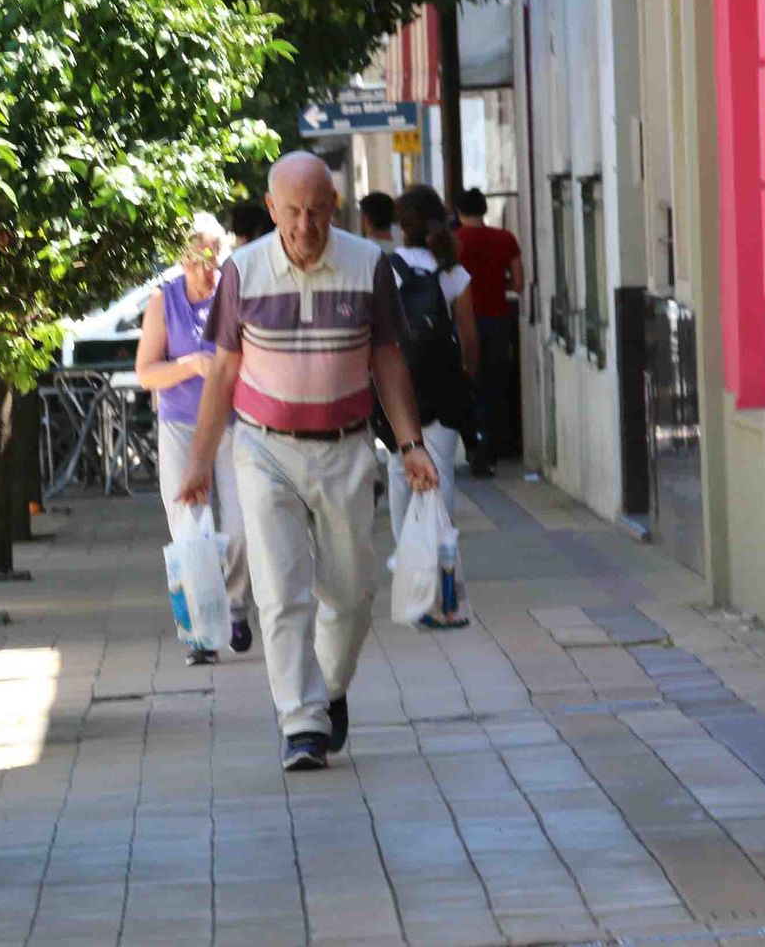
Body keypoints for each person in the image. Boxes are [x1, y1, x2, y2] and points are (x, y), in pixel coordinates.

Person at [177, 151, 439, 772]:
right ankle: (300, 723)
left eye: (317, 212)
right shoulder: (242, 272)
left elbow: (387, 359)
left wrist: (411, 445)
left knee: (351, 594)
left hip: (347, 446)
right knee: (280, 590)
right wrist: (199, 462)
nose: (304, 226)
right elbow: (223, 373)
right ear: (271, 210)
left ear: (334, 209)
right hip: (264, 449)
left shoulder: (367, 264)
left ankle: (330, 689)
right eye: (292, 212)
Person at [136, 212, 255, 665]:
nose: (204, 270)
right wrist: (190, 365)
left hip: (234, 424)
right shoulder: (163, 301)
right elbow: (146, 372)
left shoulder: (238, 296)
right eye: (194, 260)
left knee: (241, 528)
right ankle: (200, 633)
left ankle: (237, 607)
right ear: (181, 259)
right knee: (188, 529)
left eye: (212, 258)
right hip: (182, 426)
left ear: (224, 255)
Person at [379, 187, 478, 592]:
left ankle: (406, 553)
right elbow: (469, 337)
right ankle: (441, 554)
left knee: (399, 469)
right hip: (443, 384)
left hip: (398, 384)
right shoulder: (452, 271)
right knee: (441, 469)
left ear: (401, 226)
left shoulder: (387, 268)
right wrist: (468, 376)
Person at [454, 188, 524, 477]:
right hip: (498, 320)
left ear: (459, 212)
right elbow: (518, 282)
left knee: (464, 386)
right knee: (494, 387)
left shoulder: (454, 242)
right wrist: (498, 286)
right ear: (484, 210)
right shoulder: (505, 239)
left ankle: (472, 446)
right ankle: (491, 451)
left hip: (462, 322)